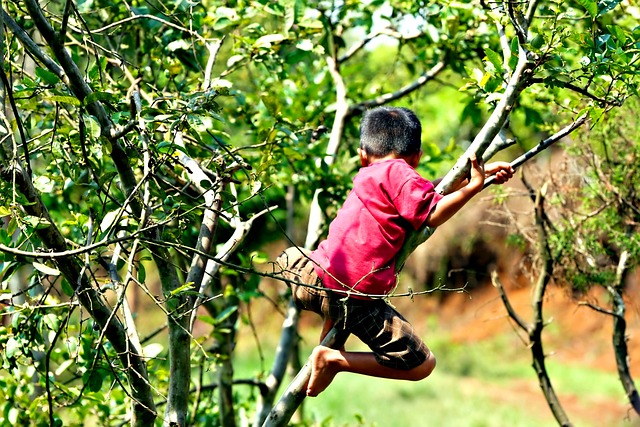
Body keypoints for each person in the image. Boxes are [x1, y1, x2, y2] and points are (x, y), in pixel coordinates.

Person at [275, 106, 514, 397]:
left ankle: (330, 345)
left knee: (299, 257)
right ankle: (334, 359)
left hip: (309, 278)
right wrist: (474, 186)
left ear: (363, 154)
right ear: (417, 157)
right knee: (422, 365)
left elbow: (423, 196)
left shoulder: (369, 174)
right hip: (354, 300)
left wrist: (479, 174)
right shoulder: (400, 173)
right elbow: (432, 211)